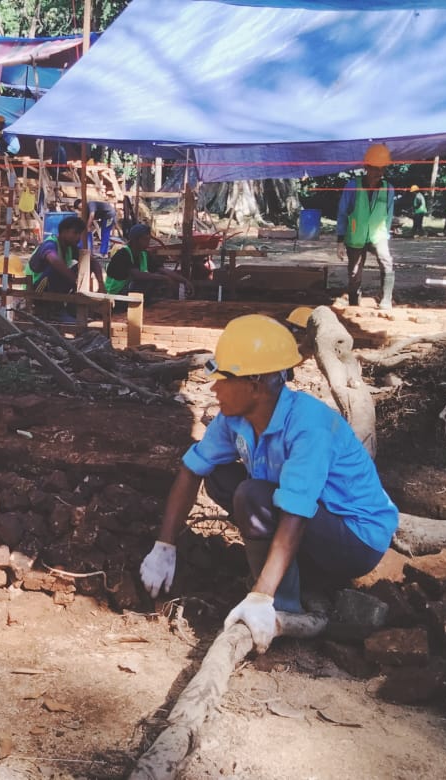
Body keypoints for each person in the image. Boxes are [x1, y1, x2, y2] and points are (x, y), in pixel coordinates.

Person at [139, 315, 399, 652]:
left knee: (252, 495)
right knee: (219, 476)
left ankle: (282, 604)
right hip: (310, 519)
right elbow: (192, 470)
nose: (213, 388)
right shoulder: (234, 417)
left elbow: (295, 513)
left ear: (256, 384)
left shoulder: (308, 426)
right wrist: (165, 545)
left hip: (355, 538)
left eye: (223, 379)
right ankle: (286, 576)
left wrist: (261, 595)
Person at [335, 143, 395, 310]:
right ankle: (354, 302)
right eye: (376, 168)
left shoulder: (388, 189)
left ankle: (386, 299)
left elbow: (389, 215)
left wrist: (386, 236)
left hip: (378, 235)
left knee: (387, 261)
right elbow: (342, 213)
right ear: (367, 167)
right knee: (354, 272)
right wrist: (340, 240)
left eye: (382, 168)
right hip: (356, 235)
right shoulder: (353, 186)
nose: (379, 172)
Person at [27, 215, 103, 322]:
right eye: (75, 233)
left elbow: (93, 262)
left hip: (52, 287)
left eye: (80, 234)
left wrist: (101, 285)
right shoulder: (50, 243)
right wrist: (75, 280)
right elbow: (53, 260)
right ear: (64, 232)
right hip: (36, 289)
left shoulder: (70, 247)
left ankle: (71, 309)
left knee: (84, 265)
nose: (78, 238)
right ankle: (55, 312)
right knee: (56, 268)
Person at [105, 223, 192, 303]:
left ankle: (149, 302)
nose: (148, 242)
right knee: (148, 279)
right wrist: (163, 278)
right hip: (115, 296)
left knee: (158, 277)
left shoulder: (144, 254)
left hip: (129, 291)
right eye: (145, 239)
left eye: (148, 239)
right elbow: (137, 275)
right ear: (135, 240)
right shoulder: (123, 254)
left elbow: (162, 270)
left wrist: (184, 281)